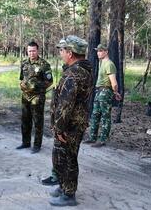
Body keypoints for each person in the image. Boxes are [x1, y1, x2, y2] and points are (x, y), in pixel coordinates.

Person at [49, 35, 93, 206]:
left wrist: (59, 129)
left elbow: (65, 105)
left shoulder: (74, 74)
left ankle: (69, 194)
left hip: (70, 125)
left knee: (68, 158)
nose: (60, 53)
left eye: (62, 50)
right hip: (74, 122)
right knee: (60, 157)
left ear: (70, 53)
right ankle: (63, 186)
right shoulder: (80, 70)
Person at [16, 41, 53, 154]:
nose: (31, 53)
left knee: (37, 121)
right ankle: (25, 142)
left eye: (34, 51)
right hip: (25, 96)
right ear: (27, 51)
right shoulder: (24, 63)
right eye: (29, 51)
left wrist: (35, 86)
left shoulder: (44, 64)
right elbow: (22, 78)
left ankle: (37, 145)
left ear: (38, 51)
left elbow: (49, 81)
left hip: (37, 97)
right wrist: (22, 84)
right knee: (25, 120)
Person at [84, 44, 122, 147]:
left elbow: (113, 82)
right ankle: (92, 137)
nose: (98, 53)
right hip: (99, 91)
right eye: (97, 51)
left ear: (106, 52)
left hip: (105, 92)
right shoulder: (102, 63)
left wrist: (115, 92)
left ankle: (103, 139)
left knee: (105, 116)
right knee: (95, 114)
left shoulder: (109, 64)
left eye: (101, 51)